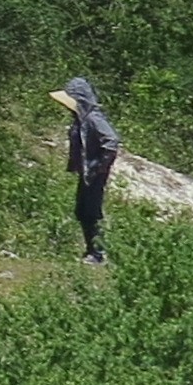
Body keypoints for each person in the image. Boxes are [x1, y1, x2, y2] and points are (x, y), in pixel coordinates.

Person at [54, 77, 122, 265]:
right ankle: (91, 250)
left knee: (91, 211)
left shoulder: (93, 118)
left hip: (94, 174)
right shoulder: (81, 119)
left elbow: (111, 142)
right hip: (87, 173)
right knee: (82, 210)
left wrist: (99, 167)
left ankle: (98, 253)